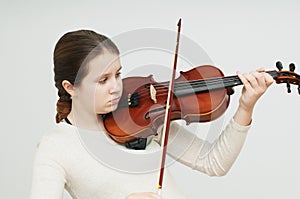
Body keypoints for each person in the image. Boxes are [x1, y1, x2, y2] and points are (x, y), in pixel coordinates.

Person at [30, 29, 274, 199]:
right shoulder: (56, 146)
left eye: (117, 74)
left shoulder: (139, 116)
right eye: (103, 80)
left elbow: (213, 163)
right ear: (70, 87)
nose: (116, 87)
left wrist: (246, 106)